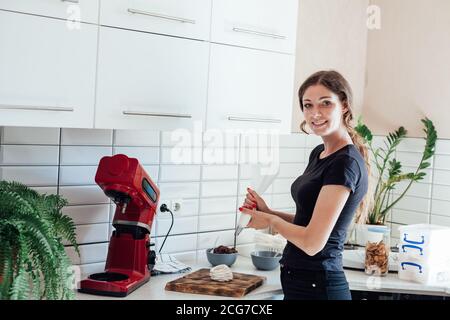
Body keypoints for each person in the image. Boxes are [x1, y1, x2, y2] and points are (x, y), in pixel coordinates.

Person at [239, 70, 370, 300]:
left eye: (325, 103)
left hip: (319, 287)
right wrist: (268, 211)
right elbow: (308, 223)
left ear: (345, 106)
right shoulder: (320, 153)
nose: (315, 113)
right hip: (301, 284)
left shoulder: (344, 163)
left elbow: (312, 243)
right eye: (307, 105)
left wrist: (270, 221)